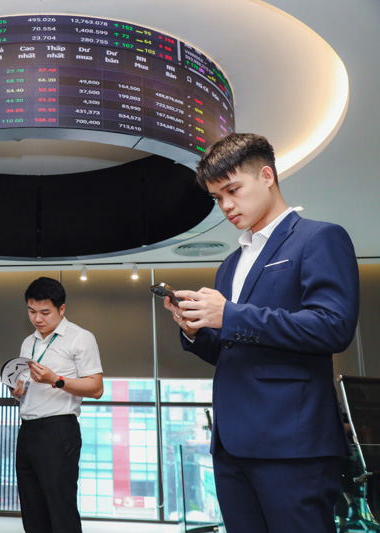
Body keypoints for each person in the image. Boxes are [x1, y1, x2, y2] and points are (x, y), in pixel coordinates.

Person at [162, 133, 360, 533]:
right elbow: (232, 349)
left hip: (291, 443)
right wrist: (198, 331)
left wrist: (230, 315)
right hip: (231, 444)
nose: (226, 206)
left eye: (233, 190)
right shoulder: (230, 264)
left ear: (267, 175)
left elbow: (334, 327)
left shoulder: (319, 237)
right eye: (217, 197)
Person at [11, 277, 103, 533]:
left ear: (62, 309)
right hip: (27, 430)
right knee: (31, 509)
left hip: (59, 430)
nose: (37, 319)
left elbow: (96, 388)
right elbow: (28, 389)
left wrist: (57, 380)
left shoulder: (80, 338)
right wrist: (18, 391)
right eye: (31, 311)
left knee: (60, 509)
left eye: (45, 312)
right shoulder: (28, 342)